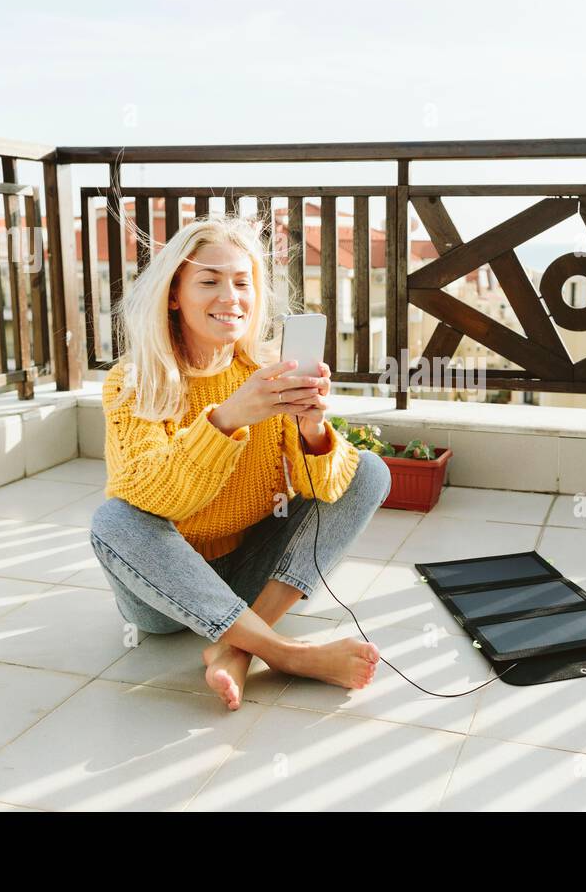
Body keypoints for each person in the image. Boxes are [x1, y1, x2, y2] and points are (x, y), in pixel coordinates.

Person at [89, 213, 391, 711]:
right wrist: (227, 418)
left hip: (250, 569)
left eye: (242, 282)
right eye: (209, 281)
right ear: (173, 294)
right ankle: (283, 653)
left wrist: (311, 430)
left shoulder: (266, 372)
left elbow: (322, 491)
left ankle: (236, 647)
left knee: (369, 472)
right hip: (167, 590)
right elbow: (152, 496)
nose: (230, 297)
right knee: (114, 518)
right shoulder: (135, 380)